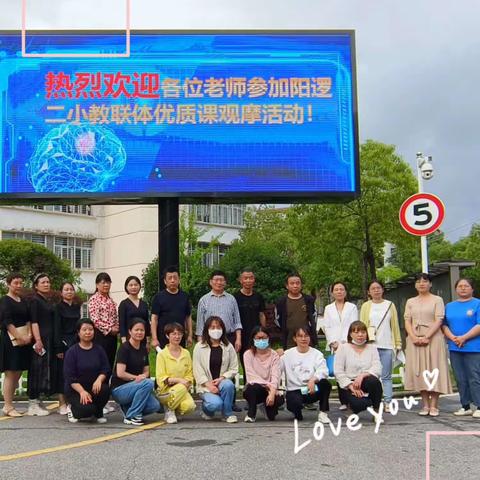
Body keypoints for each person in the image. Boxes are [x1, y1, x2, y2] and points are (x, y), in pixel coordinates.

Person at [404, 273, 452, 416]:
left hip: (433, 338)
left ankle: (434, 405)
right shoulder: (410, 301)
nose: (421, 284)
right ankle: (425, 404)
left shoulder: (437, 300)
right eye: (418, 281)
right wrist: (413, 337)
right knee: (420, 370)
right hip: (414, 338)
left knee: (434, 368)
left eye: (425, 281)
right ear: (415, 285)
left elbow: (439, 319)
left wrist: (427, 336)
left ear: (430, 284)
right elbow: (407, 320)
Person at [360, 280, 402, 411]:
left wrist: (398, 342)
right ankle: (374, 401)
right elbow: (362, 325)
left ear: (383, 290)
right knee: (372, 376)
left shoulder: (390, 305)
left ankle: (388, 401)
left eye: (378, 288)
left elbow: (394, 325)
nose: (376, 290)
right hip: (371, 345)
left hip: (387, 344)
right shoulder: (366, 306)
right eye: (373, 288)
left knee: (386, 375)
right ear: (369, 292)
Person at [111, 318, 160, 426]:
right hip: (120, 389)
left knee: (155, 406)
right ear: (130, 331)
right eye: (136, 330)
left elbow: (146, 371)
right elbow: (120, 373)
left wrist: (143, 376)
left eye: (142, 330)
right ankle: (131, 415)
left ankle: (128, 408)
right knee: (148, 383)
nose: (139, 332)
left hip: (136, 386)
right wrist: (136, 378)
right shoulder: (124, 348)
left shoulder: (143, 349)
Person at [443, 278, 480, 418]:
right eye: (460, 286)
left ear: (472, 289)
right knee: (460, 378)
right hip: (455, 347)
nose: (463, 288)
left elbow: (479, 325)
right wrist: (453, 338)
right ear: (456, 289)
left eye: (466, 286)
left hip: (474, 347)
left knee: (474, 377)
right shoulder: (450, 306)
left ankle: (479, 405)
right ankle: (465, 406)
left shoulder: (477, 304)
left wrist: (464, 337)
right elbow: (444, 325)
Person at [27, 273, 62, 416]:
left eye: (48, 282)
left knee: (44, 370)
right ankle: (32, 403)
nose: (47, 284)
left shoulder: (46, 300)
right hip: (40, 339)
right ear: (36, 286)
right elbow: (34, 321)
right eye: (43, 282)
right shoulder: (35, 300)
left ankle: (38, 401)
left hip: (49, 339)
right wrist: (38, 340)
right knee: (36, 369)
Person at [63, 319, 110, 423]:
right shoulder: (72, 352)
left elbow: (105, 368)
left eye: (90, 329)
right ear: (78, 332)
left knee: (105, 389)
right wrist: (82, 391)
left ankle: (98, 413)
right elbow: (70, 377)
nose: (88, 332)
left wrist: (99, 380)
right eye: (84, 330)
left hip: (93, 387)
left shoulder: (99, 349)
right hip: (76, 390)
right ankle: (71, 408)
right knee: (87, 411)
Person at [281, 326, 331, 423]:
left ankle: (323, 413)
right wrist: (275, 354)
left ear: (310, 337)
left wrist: (313, 379)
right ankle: (297, 413)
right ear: (295, 339)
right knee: (294, 403)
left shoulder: (317, 354)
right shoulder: (287, 354)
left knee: (325, 384)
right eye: (300, 336)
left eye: (306, 336)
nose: (303, 339)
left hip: (311, 388)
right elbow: (276, 369)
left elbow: (323, 370)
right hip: (295, 390)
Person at [193, 316, 239, 423]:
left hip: (222, 382)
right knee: (216, 404)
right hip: (206, 385)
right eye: (212, 327)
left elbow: (234, 368)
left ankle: (227, 414)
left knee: (228, 385)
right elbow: (197, 369)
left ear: (223, 329)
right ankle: (206, 410)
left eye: (218, 327)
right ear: (207, 329)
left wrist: (222, 378)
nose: (216, 330)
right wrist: (209, 385)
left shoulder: (228, 346)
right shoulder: (199, 347)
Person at [322, 281, 358, 410]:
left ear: (345, 292)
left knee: (350, 371)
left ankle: (352, 399)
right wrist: (333, 342)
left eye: (341, 289)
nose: (339, 292)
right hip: (335, 345)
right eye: (336, 289)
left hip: (349, 344)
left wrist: (347, 341)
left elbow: (355, 325)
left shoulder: (352, 307)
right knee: (339, 372)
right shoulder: (328, 308)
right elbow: (327, 326)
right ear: (332, 293)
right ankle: (343, 401)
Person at [0, 273, 32, 417]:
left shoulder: (23, 300)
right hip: (10, 341)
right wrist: (19, 337)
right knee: (10, 373)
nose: (19, 285)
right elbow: (7, 322)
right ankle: (7, 406)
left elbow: (28, 319)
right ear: (8, 284)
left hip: (24, 339)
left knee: (18, 372)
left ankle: (10, 404)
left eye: (20, 283)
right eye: (15, 283)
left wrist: (29, 335)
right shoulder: (5, 301)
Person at [334, 321, 383, 415]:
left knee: (375, 382)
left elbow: (377, 367)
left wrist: (362, 375)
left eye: (363, 332)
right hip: (349, 383)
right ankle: (352, 406)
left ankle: (377, 411)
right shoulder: (343, 348)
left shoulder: (372, 348)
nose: (360, 335)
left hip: (366, 380)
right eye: (356, 332)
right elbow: (338, 371)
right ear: (350, 334)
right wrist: (351, 386)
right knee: (359, 404)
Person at [156, 323, 195, 424]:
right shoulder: (162, 355)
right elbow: (161, 378)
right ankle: (169, 410)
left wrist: (185, 383)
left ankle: (175, 409)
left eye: (179, 334)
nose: (177, 336)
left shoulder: (186, 353)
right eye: (173, 334)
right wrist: (179, 381)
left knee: (190, 406)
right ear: (167, 336)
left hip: (183, 388)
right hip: (166, 391)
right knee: (180, 387)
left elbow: (189, 374)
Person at [242, 326, 283, 422]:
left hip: (270, 389)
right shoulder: (248, 354)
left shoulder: (274, 355)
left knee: (272, 415)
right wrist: (268, 386)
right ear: (253, 339)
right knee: (252, 388)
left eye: (264, 338)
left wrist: (272, 393)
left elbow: (275, 376)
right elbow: (251, 377)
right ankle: (251, 414)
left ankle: (265, 406)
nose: (261, 340)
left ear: (268, 338)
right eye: (258, 338)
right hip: (255, 388)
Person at [234, 269, 266, 385]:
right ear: (240, 280)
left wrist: (264, 332)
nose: (248, 280)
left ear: (254, 280)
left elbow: (262, 314)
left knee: (259, 363)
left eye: (251, 277)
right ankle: (249, 389)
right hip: (242, 335)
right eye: (245, 278)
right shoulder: (235, 298)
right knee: (246, 363)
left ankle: (261, 387)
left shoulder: (259, 297)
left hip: (257, 336)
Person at [54, 282, 82, 415]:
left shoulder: (77, 307)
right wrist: (59, 347)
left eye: (71, 289)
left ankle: (72, 401)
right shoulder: (58, 307)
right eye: (66, 290)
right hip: (63, 342)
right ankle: (61, 403)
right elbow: (57, 328)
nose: (69, 292)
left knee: (73, 372)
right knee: (62, 373)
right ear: (61, 293)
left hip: (76, 342)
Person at [151, 266, 193, 349]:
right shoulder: (158, 297)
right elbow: (154, 318)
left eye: (175, 278)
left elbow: (188, 317)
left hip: (179, 337)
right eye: (170, 278)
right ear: (165, 281)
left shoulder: (184, 296)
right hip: (163, 338)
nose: (173, 280)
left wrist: (190, 335)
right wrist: (154, 338)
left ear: (179, 280)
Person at [275, 273, 318, 350]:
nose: (295, 286)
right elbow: (277, 320)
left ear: (301, 285)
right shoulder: (281, 302)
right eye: (292, 283)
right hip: (289, 339)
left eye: (297, 283)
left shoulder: (309, 300)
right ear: (287, 286)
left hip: (306, 338)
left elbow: (314, 318)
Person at [88, 272, 119, 371]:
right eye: (103, 282)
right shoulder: (94, 299)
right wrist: (110, 329)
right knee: (101, 363)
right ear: (97, 285)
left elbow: (115, 317)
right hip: (100, 336)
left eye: (108, 282)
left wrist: (116, 328)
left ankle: (107, 385)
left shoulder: (111, 300)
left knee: (110, 362)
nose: (106, 285)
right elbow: (95, 320)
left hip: (112, 337)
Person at [118, 276, 150, 345]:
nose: (133, 287)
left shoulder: (144, 304)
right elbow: (122, 323)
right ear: (126, 287)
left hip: (142, 338)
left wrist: (148, 340)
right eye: (131, 285)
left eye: (136, 285)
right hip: (129, 339)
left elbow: (147, 322)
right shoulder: (123, 304)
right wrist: (124, 340)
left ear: (139, 286)